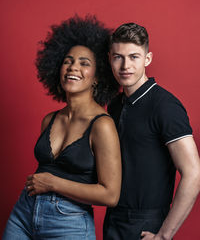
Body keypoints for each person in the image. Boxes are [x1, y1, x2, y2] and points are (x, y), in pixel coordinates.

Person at [3, 15, 121, 240]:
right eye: (68, 61)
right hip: (24, 213)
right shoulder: (49, 120)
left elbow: (110, 194)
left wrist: (53, 183)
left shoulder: (102, 125)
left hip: (68, 221)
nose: (73, 67)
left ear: (97, 77)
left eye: (84, 63)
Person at [103, 22, 200, 240]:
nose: (125, 65)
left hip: (147, 222)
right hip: (113, 217)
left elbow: (194, 174)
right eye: (118, 57)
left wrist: (163, 235)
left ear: (148, 59)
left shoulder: (165, 106)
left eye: (134, 57)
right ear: (110, 58)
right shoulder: (115, 105)